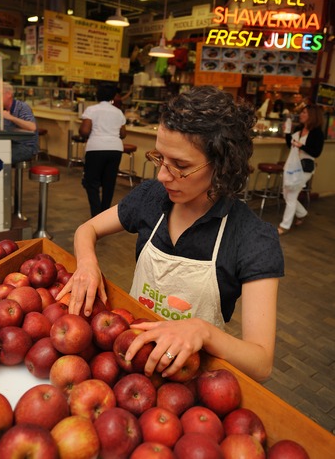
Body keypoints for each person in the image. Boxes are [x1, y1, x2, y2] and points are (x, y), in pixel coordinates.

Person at [57, 85, 284, 382]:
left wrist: (204, 332)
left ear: (222, 165)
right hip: (133, 357)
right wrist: (87, 264)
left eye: (180, 166)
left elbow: (261, 363)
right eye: (160, 158)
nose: (163, 175)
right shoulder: (152, 197)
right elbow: (87, 229)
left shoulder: (253, 238)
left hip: (190, 378)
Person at [80, 82, 127, 217]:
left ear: (97, 95)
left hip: (96, 148)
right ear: (113, 96)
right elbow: (123, 134)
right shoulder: (118, 112)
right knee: (109, 182)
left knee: (91, 182)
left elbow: (84, 131)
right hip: (115, 149)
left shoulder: (91, 110)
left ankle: (95, 213)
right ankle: (104, 213)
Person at [278, 105, 324, 235]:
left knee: (291, 195)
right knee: (286, 193)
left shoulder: (317, 133)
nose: (301, 114)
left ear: (312, 115)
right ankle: (302, 213)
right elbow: (289, 144)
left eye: (304, 112)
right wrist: (287, 132)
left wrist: (301, 146)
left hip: (305, 167)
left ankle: (284, 226)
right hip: (292, 166)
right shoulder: (299, 128)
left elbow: (316, 152)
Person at [2, 82, 38, 165]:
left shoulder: (22, 107)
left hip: (26, 146)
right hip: (12, 143)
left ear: (8, 94)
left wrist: (11, 117)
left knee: (0, 157)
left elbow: (32, 127)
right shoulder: (1, 109)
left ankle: (6, 177)